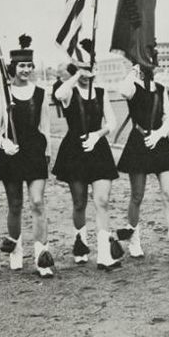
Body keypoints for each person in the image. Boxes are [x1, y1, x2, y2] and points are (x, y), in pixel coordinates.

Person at [0, 34, 55, 277]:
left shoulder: (41, 93)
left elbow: (45, 127)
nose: (25, 70)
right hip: (11, 153)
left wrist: (48, 154)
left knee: (37, 202)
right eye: (21, 66)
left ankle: (42, 257)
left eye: (29, 66)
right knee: (15, 204)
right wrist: (4, 143)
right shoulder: (2, 94)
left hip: (35, 151)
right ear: (12, 68)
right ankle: (15, 247)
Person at [52, 39, 122, 270]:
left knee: (102, 201)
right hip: (74, 150)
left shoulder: (101, 92)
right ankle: (80, 243)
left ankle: (104, 254)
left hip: (98, 149)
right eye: (82, 68)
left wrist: (98, 135)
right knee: (79, 202)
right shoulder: (69, 90)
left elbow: (112, 122)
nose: (86, 73)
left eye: (90, 67)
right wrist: (75, 74)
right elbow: (60, 94)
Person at [117, 54, 169, 263]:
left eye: (151, 63)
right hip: (138, 142)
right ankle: (134, 240)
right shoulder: (132, 85)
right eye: (145, 63)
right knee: (137, 195)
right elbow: (122, 90)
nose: (150, 67)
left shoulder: (160, 88)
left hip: (159, 143)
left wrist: (159, 134)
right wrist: (132, 70)